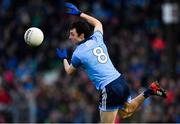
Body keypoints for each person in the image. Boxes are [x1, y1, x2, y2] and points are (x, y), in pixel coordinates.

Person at [56, 3, 167, 123]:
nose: (69, 37)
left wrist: (64, 59)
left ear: (81, 36)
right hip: (120, 80)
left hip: (109, 88)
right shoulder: (97, 38)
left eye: (72, 34)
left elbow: (69, 71)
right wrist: (80, 14)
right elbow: (98, 23)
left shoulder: (78, 53)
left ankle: (150, 90)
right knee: (125, 112)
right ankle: (150, 90)